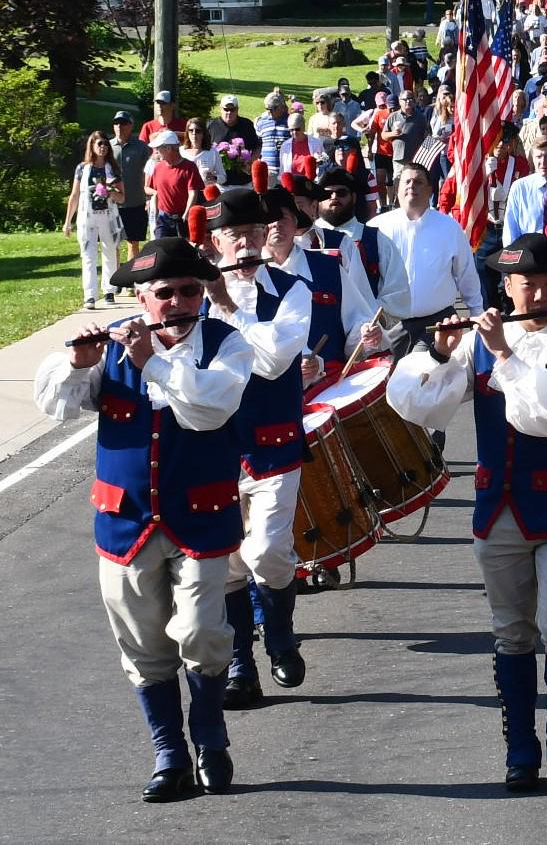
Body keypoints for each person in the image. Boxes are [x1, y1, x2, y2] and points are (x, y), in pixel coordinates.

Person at [33, 238, 255, 801]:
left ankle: (208, 734)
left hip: (201, 518)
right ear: (142, 296)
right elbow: (58, 402)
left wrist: (150, 362)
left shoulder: (228, 346)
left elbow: (209, 409)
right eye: (165, 293)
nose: (179, 302)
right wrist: (78, 364)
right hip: (125, 520)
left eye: (189, 291)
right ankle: (169, 753)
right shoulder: (113, 344)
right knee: (142, 645)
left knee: (204, 631)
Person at [387, 229, 547, 792]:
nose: (540, 293)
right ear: (506, 287)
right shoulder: (478, 341)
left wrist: (504, 356)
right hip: (499, 508)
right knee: (511, 633)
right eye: (528, 283)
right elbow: (418, 406)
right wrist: (437, 352)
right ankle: (520, 749)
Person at [201, 187, 314, 708]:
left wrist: (229, 311)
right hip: (216, 448)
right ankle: (241, 666)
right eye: (233, 235)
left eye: (253, 233)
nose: (245, 244)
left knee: (266, 550)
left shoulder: (293, 291)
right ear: (215, 242)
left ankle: (281, 634)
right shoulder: (191, 299)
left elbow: (271, 361)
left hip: (273, 444)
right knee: (225, 564)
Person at [263, 183, 384, 373]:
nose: (276, 225)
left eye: (284, 218)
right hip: (270, 392)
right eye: (270, 219)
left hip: (328, 386)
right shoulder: (247, 277)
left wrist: (365, 333)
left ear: (296, 224)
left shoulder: (328, 267)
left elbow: (357, 319)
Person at [371, 161, 484, 356]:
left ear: (430, 190)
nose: (411, 186)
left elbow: (466, 274)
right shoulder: (376, 228)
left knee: (429, 379)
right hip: (390, 326)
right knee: (392, 382)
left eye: (418, 182)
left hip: (438, 323)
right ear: (397, 189)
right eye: (406, 182)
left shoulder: (449, 228)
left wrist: (476, 316)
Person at [315, 168, 410, 317]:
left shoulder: (377, 241)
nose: (334, 197)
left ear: (353, 197)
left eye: (341, 193)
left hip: (365, 333)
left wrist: (367, 317)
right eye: (327, 193)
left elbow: (398, 293)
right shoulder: (304, 240)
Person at [64, 130, 124, 309]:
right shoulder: (83, 168)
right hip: (87, 216)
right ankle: (89, 295)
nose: (103, 147)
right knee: (88, 254)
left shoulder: (112, 168)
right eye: (99, 144)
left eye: (105, 144)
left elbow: (122, 197)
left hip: (107, 216)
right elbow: (75, 195)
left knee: (110, 252)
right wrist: (68, 221)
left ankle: (109, 290)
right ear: (92, 146)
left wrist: (111, 191)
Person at [478, 130, 531, 310]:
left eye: (505, 140)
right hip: (486, 228)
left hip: (510, 227)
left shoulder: (519, 164)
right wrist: (482, 176)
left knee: (510, 276)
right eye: (496, 140)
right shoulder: (477, 163)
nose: (500, 144)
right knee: (485, 279)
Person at [110, 111, 152, 262]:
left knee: (133, 242)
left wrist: (148, 196)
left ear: (131, 126)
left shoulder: (141, 147)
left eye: (123, 123)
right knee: (112, 243)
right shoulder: (107, 147)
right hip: (113, 203)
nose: (119, 126)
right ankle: (114, 278)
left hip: (136, 202)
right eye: (116, 123)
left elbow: (149, 174)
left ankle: (131, 279)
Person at [146, 131, 199, 239]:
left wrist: (187, 214)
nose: (156, 151)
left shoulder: (189, 167)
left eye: (158, 148)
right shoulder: (158, 167)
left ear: (169, 149)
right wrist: (155, 216)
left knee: (183, 252)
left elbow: (193, 193)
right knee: (161, 251)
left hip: (182, 218)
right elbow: (155, 192)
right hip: (163, 218)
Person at [181, 119, 226, 187]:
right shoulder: (181, 151)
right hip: (184, 192)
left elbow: (223, 177)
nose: (194, 133)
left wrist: (214, 178)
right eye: (191, 130)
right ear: (187, 133)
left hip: (205, 192)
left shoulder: (212, 152)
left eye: (198, 131)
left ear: (203, 133)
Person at [254, 92, 291, 168]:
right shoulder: (261, 122)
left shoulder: (291, 121)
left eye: (272, 109)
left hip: (287, 169)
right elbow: (257, 144)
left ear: (281, 106)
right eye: (267, 109)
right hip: (266, 170)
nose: (269, 112)